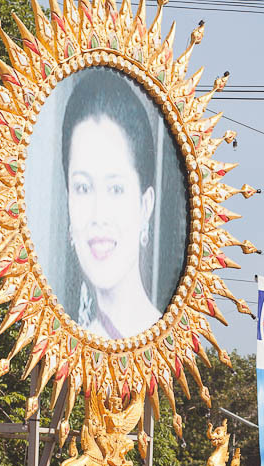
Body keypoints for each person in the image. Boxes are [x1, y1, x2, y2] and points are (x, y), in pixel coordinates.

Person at [60, 67, 165, 340]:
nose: (98, 215)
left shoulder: (162, 338)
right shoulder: (78, 337)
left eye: (116, 189)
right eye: (83, 187)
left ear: (146, 205)